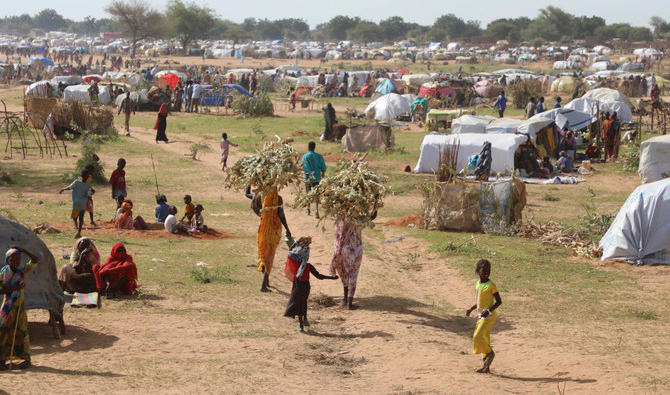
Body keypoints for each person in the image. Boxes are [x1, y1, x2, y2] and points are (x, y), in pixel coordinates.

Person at [283, 237, 338, 332]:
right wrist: (332, 277)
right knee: (303, 303)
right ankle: (305, 319)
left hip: (297, 287)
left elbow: (290, 251)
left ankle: (301, 326)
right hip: (306, 287)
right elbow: (319, 276)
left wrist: (296, 242)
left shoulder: (293, 261)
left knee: (297, 304)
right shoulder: (308, 266)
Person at [245, 186, 292, 292]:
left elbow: (247, 194)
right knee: (269, 256)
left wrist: (249, 181)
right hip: (273, 229)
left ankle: (267, 281)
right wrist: (288, 229)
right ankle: (263, 286)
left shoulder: (259, 197)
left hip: (263, 229)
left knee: (264, 253)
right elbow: (281, 215)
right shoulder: (278, 199)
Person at [1, 246, 40, 370]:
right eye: (13, 259)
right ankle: (2, 360)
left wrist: (24, 250)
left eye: (18, 259)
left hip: (19, 307)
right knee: (3, 331)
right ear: (7, 260)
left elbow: (35, 260)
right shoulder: (3, 273)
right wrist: (15, 288)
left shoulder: (22, 272)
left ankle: (25, 359)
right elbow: (1, 291)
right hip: (7, 307)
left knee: (22, 331)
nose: (16, 262)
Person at [330, 209, 376, 310]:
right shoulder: (358, 217)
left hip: (339, 249)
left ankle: (345, 299)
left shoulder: (338, 215)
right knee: (353, 274)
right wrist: (376, 202)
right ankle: (350, 303)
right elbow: (372, 217)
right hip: (353, 249)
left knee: (344, 274)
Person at [465, 259, 502, 374]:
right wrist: (471, 309)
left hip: (489, 316)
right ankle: (486, 366)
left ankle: (490, 353)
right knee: (484, 338)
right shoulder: (478, 284)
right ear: (478, 271)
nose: (486, 273)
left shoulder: (491, 285)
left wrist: (488, 311)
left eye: (488, 271)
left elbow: (499, 302)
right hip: (481, 314)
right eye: (483, 271)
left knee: (477, 336)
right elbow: (480, 301)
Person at [59, 169, 92, 238]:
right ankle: (79, 232)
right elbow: (89, 195)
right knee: (81, 218)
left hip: (77, 201)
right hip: (83, 202)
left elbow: (70, 187)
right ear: (87, 177)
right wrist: (89, 200)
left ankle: (76, 229)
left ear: (81, 176)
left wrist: (63, 189)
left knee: (75, 217)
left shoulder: (77, 182)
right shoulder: (88, 185)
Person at [302, 141, 327, 218]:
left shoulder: (305, 157)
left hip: (308, 178)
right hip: (317, 177)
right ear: (314, 147)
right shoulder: (319, 156)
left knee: (308, 193)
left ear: (308, 147)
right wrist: (323, 172)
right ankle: (316, 210)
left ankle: (308, 209)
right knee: (316, 194)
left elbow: (303, 166)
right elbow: (322, 166)